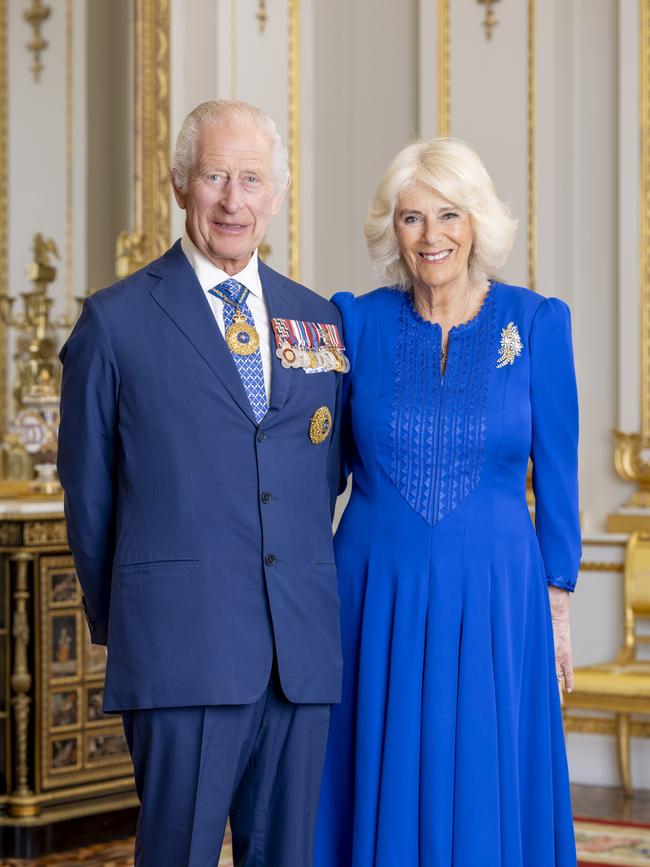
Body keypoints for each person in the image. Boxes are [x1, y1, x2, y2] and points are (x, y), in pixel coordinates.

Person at [58, 99, 346, 867]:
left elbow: (323, 476)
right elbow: (87, 501)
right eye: (216, 175)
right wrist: (135, 618)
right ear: (181, 184)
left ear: (277, 195)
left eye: (252, 179)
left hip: (300, 653)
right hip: (180, 648)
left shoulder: (318, 321)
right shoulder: (113, 323)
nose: (233, 199)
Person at [315, 137, 580, 866]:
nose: (432, 236)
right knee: (374, 765)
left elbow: (558, 475)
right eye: (411, 218)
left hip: (497, 593)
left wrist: (558, 608)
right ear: (390, 229)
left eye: (449, 214)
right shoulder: (354, 322)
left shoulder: (535, 323)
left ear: (478, 223)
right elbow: (318, 470)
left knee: (485, 770)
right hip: (372, 592)